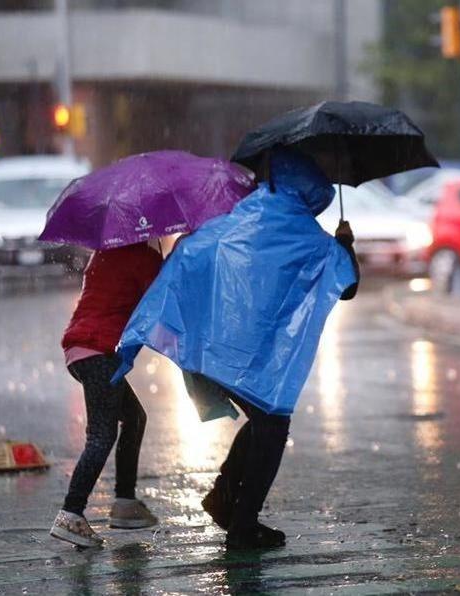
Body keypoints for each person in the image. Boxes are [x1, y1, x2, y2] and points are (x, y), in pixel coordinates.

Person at [113, 149, 360, 549]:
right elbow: (346, 285)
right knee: (272, 422)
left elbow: (194, 253)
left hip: (212, 350)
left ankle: (227, 500)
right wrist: (344, 244)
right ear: (313, 188)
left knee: (265, 420)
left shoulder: (240, 214)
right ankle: (241, 521)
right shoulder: (302, 230)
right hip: (247, 360)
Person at [49, 240, 163, 548]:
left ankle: (125, 502)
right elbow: (161, 299)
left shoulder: (104, 252)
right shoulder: (142, 256)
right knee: (101, 435)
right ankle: (71, 512)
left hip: (80, 349)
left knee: (134, 418)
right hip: (99, 350)